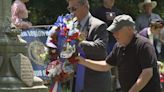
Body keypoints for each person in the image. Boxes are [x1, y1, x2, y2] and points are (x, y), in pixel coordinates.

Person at [76, 14, 161, 92]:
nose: (114, 34)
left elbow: (147, 73)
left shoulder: (144, 45)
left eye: (117, 30)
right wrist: (83, 61)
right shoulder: (118, 46)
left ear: (130, 29)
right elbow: (106, 65)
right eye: (113, 31)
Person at [67, 0, 110, 92]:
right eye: (69, 9)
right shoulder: (71, 25)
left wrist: (78, 42)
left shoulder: (98, 25)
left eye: (74, 9)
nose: (71, 12)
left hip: (95, 82)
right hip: (76, 81)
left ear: (85, 7)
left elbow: (101, 47)